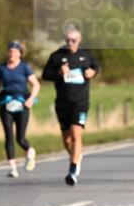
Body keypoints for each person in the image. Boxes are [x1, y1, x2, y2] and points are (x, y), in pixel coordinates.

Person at [42, 24, 99, 186]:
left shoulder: (86, 55)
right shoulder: (56, 56)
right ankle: (76, 155)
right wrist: (59, 73)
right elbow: (46, 75)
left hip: (80, 102)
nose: (71, 43)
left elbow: (96, 67)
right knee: (67, 140)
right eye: (68, 40)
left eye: (74, 40)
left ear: (79, 40)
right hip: (62, 102)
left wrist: (93, 73)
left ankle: (72, 171)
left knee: (76, 134)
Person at [0, 41, 40, 177]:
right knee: (8, 136)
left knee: (20, 138)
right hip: (6, 103)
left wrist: (31, 99)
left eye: (15, 51)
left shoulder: (24, 68)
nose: (12, 54)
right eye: (10, 51)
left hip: (22, 103)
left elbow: (35, 84)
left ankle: (29, 151)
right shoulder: (2, 68)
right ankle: (13, 168)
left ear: (20, 54)